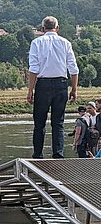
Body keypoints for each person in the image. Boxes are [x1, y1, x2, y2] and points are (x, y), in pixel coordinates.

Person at [27, 16, 79, 159]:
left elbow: (33, 69)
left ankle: (38, 155)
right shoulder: (65, 43)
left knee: (39, 123)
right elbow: (73, 69)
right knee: (58, 123)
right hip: (61, 84)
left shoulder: (36, 43)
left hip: (42, 85)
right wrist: (74, 89)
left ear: (43, 29)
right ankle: (58, 155)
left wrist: (30, 90)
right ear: (57, 28)